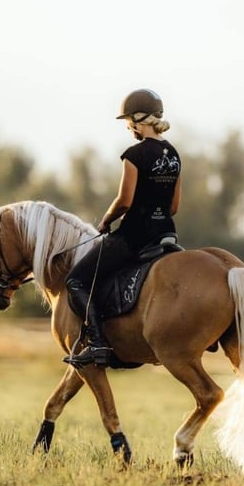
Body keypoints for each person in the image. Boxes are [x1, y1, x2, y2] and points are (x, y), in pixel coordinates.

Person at [63, 88, 182, 368]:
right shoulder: (174, 155)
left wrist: (105, 220)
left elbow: (124, 200)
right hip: (166, 233)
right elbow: (174, 206)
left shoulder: (134, 154)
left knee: (75, 281)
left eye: (128, 121)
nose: (128, 127)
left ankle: (98, 343)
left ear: (138, 120)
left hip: (135, 237)